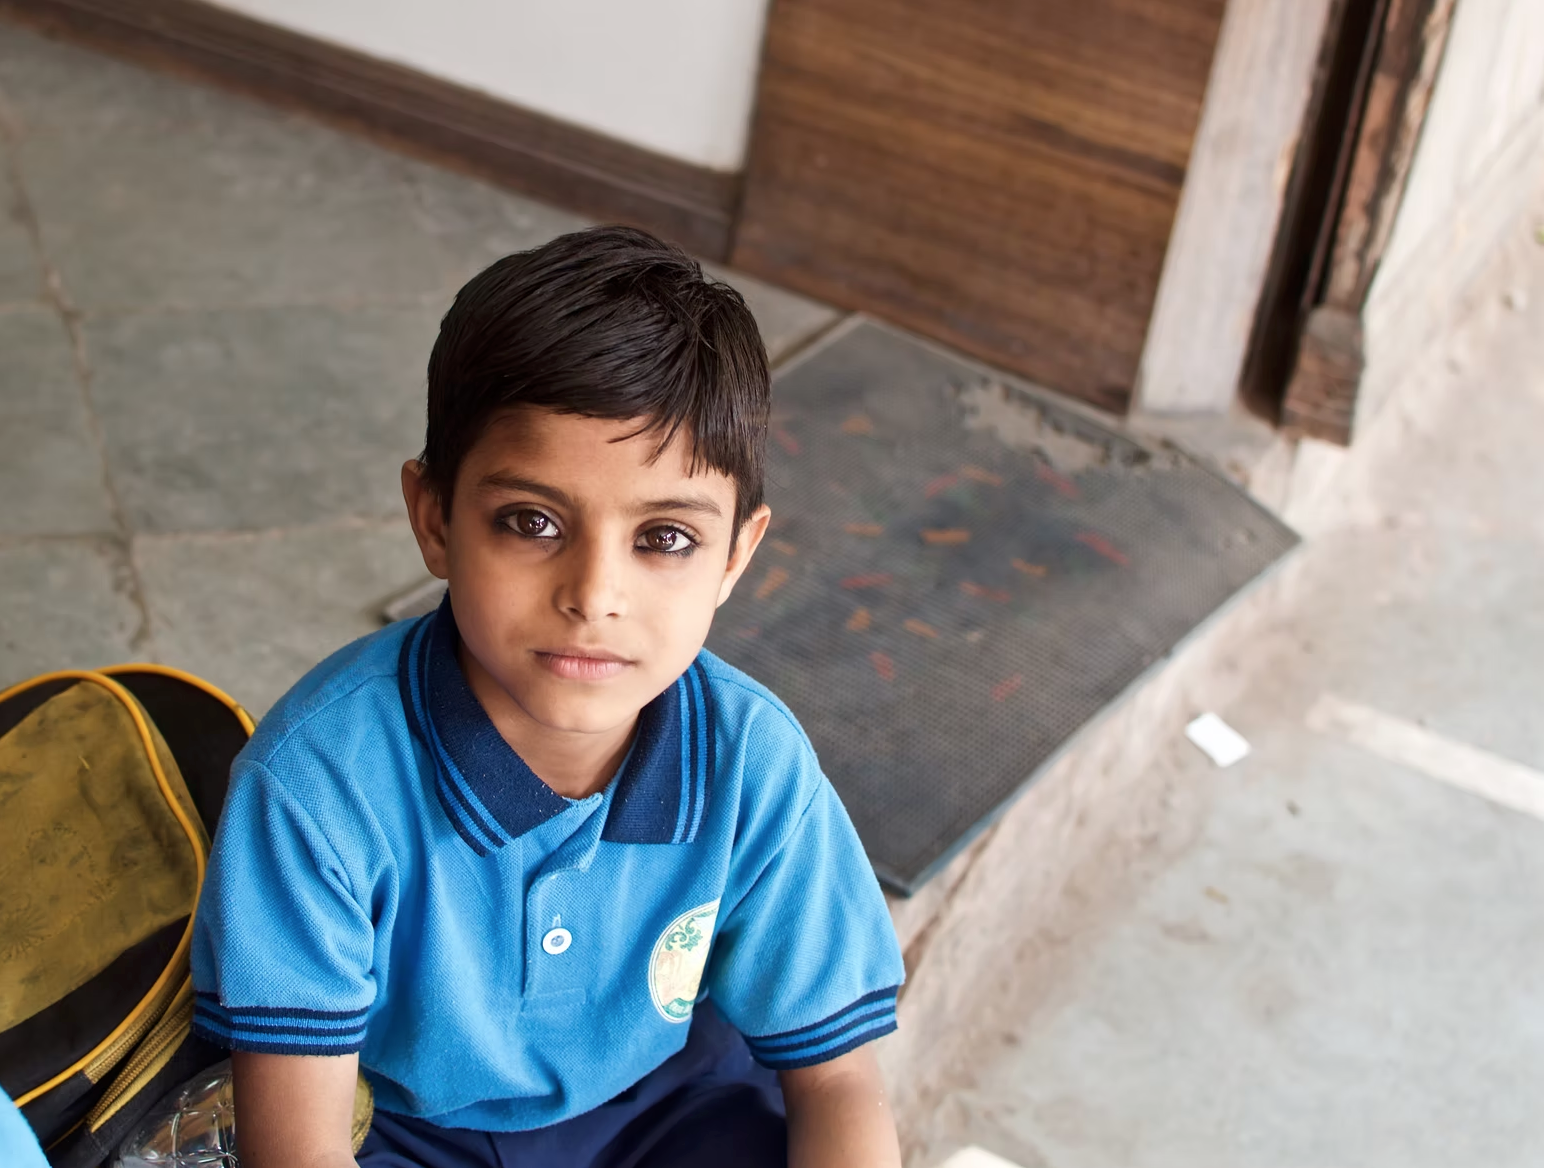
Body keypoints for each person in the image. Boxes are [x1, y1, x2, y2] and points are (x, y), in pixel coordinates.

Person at [191, 226, 905, 1168]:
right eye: (532, 523)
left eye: (666, 540)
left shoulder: (753, 766)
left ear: (737, 554)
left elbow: (840, 1077)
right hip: (400, 1126)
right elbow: (299, 1146)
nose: (593, 596)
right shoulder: (318, 784)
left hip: (659, 1113)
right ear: (434, 518)